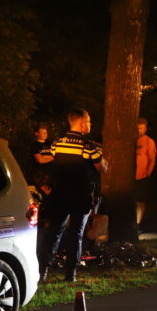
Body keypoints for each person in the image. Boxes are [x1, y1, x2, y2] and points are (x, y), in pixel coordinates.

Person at [37, 109, 107, 283]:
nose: (90, 124)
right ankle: (70, 273)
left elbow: (46, 158)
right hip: (80, 196)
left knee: (54, 231)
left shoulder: (57, 143)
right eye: (89, 121)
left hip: (60, 195)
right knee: (76, 233)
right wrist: (103, 159)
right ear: (82, 123)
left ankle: (43, 270)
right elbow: (101, 168)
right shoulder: (88, 145)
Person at [134, 117, 157, 231]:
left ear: (145, 129)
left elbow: (152, 160)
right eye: (137, 128)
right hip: (130, 177)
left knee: (140, 201)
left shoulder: (149, 141)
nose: (139, 130)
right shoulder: (131, 140)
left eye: (141, 128)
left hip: (142, 176)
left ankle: (138, 225)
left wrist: (148, 174)